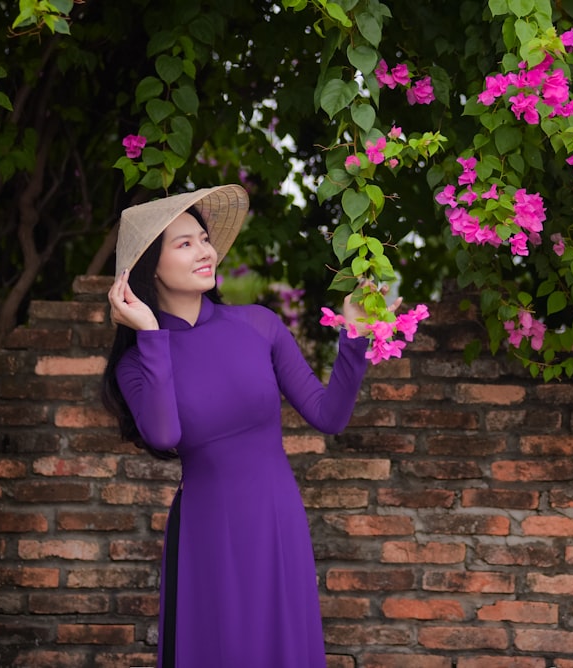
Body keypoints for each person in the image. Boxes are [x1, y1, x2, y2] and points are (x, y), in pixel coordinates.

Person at [101, 184, 392, 667]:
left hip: (277, 521)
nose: (205, 251)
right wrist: (150, 334)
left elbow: (328, 416)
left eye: (203, 238)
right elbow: (165, 435)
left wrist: (355, 338)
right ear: (151, 267)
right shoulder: (137, 364)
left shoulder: (258, 325)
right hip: (207, 530)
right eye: (184, 243)